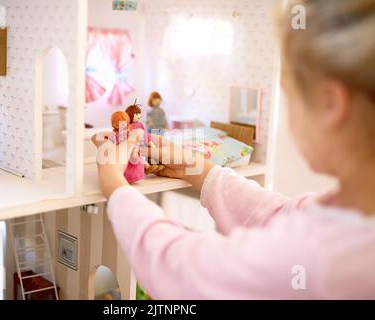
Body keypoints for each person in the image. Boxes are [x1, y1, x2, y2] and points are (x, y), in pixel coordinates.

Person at [92, 0, 375, 299]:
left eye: (289, 95)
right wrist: (200, 170)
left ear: (329, 103)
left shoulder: (319, 256)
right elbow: (280, 215)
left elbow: (183, 270)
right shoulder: (349, 219)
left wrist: (115, 186)